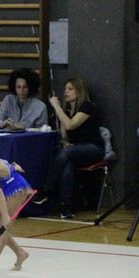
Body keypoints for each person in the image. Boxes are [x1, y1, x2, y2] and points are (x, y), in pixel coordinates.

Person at [32, 78, 103, 218]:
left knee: (67, 153)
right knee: (67, 162)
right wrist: (61, 114)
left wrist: (57, 108)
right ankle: (66, 207)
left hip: (94, 149)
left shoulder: (87, 107)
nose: (66, 92)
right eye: (65, 89)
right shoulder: (67, 110)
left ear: (79, 90)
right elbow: (65, 136)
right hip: (75, 151)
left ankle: (47, 188)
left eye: (70, 89)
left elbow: (71, 125)